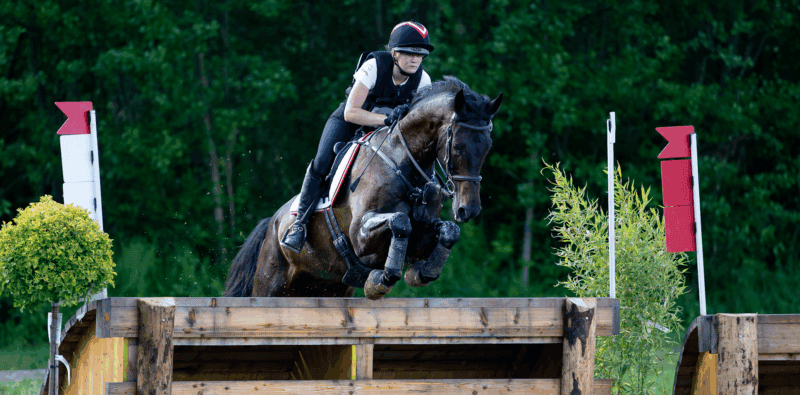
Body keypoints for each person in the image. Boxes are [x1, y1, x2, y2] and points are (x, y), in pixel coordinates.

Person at [281, 20, 435, 253]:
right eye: (409, 53)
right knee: (322, 163)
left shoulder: (423, 81)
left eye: (420, 54)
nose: (415, 59)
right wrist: (386, 119)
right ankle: (299, 225)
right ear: (393, 53)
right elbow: (351, 112)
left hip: (386, 133)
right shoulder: (374, 66)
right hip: (350, 122)